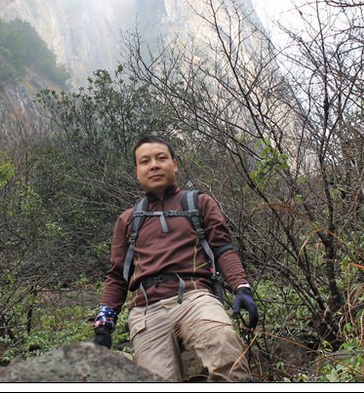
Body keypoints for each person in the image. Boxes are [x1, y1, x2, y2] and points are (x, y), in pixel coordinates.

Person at [92, 135, 258, 382]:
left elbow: (223, 248)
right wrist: (104, 323)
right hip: (146, 310)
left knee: (224, 346)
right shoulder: (128, 220)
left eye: (161, 158)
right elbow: (117, 275)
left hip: (195, 297)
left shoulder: (199, 203)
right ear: (137, 171)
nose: (154, 166)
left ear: (175, 164)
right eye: (145, 161)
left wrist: (241, 287)